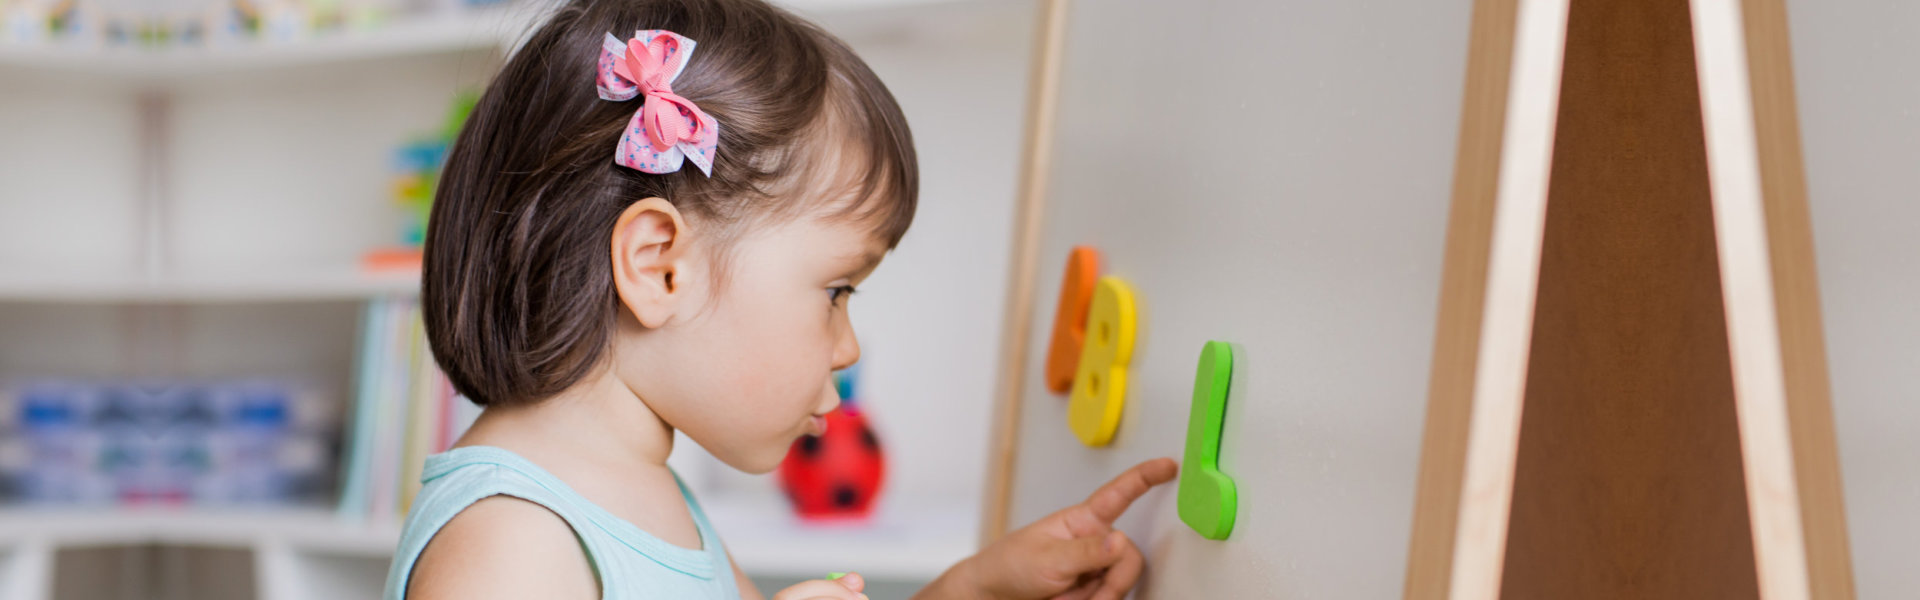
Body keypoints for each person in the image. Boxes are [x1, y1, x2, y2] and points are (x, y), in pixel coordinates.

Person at [383, 0, 1177, 598]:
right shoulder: (509, 542)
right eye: (835, 291)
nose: (848, 344)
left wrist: (975, 587)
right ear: (659, 267)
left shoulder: (645, 487)